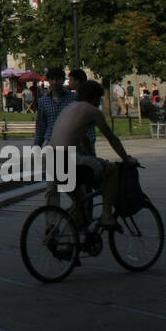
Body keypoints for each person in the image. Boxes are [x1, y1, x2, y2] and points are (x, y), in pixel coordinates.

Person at [48, 80, 137, 231]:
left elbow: (84, 138)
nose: (99, 102)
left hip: (50, 159)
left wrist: (92, 158)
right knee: (113, 171)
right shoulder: (92, 111)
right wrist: (126, 158)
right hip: (67, 159)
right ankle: (106, 215)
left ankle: (71, 243)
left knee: (80, 200)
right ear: (94, 97)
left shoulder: (71, 107)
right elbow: (111, 138)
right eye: (99, 99)